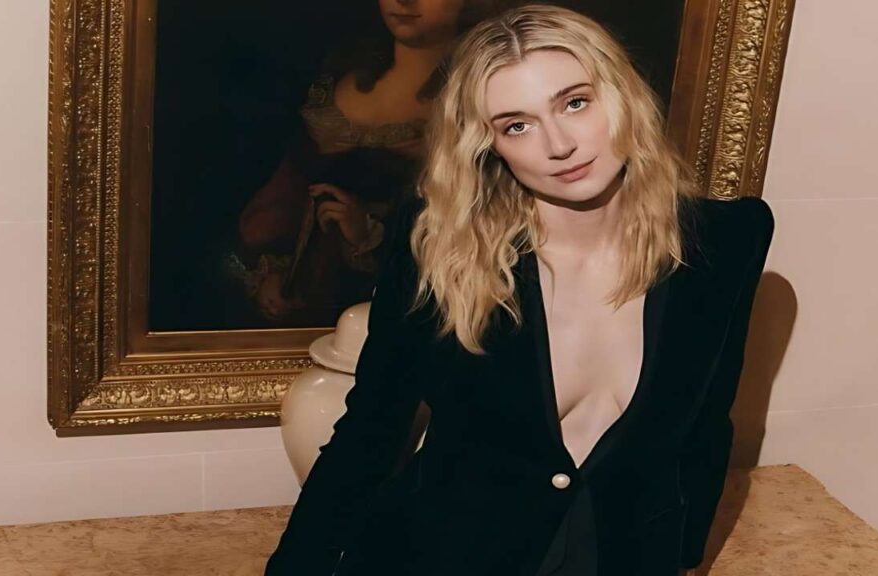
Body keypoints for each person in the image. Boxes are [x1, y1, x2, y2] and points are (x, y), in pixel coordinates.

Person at [263, 4, 774, 575]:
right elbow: (373, 430)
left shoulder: (727, 240)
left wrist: (683, 557)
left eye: (575, 102)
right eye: (516, 125)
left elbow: (707, 422)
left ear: (622, 96)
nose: (558, 144)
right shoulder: (438, 244)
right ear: (488, 146)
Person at [230, 0, 509, 325]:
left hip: (409, 307)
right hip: (310, 303)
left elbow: (477, 227)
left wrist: (368, 237)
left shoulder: (479, 97)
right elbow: (282, 193)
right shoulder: (336, 77)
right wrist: (273, 273)